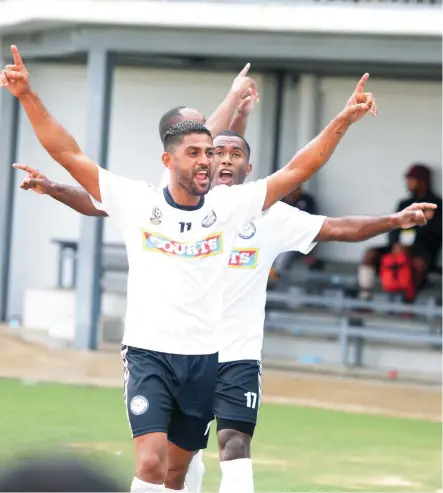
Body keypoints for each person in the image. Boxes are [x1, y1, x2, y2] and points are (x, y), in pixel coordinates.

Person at [2, 44, 377, 493]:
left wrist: (344, 119)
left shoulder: (231, 207)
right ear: (169, 161)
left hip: (203, 360)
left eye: (210, 153)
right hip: (148, 354)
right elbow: (67, 152)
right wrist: (26, 95)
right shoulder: (136, 201)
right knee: (152, 463)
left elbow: (301, 168)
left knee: (178, 474)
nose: (208, 161)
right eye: (196, 152)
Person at [13, 132, 437, 493]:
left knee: (234, 442)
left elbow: (339, 228)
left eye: (237, 154)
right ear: (205, 164)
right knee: (179, 459)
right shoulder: (173, 206)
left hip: (236, 354)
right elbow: (97, 203)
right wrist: (53, 188)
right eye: (218, 153)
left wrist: (394, 220)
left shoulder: (267, 214)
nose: (226, 160)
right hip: (180, 350)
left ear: (250, 169)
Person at [358, 163, 442, 300]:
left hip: (421, 251)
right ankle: (365, 297)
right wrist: (395, 243)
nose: (408, 183)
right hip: (397, 248)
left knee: (419, 263)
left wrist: (411, 247)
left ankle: (408, 300)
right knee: (370, 254)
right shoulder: (404, 204)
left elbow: (436, 235)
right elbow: (392, 227)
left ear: (422, 181)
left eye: (411, 179)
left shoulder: (436, 204)